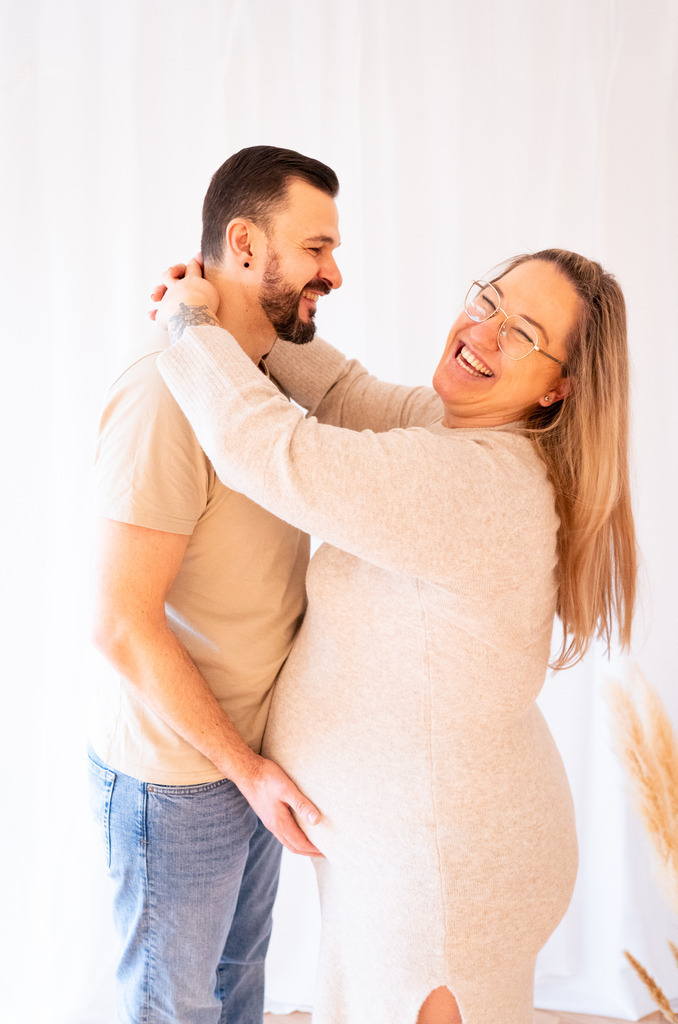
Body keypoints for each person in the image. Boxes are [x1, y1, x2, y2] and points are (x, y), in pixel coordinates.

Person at [151, 248, 637, 1024]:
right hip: (422, 854)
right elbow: (344, 394)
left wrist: (187, 322)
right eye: (488, 301)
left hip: (442, 879)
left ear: (558, 388)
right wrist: (252, 308)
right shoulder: (458, 433)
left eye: (522, 333)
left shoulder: (477, 485)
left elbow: (272, 452)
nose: (484, 331)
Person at [89, 145, 344, 1024]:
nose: (333, 273)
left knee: (241, 994)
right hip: (180, 781)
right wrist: (247, 771)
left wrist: (257, 771)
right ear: (243, 244)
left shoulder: (252, 380)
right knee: (178, 1010)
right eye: (315, 249)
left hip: (246, 766)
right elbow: (120, 623)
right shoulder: (165, 395)